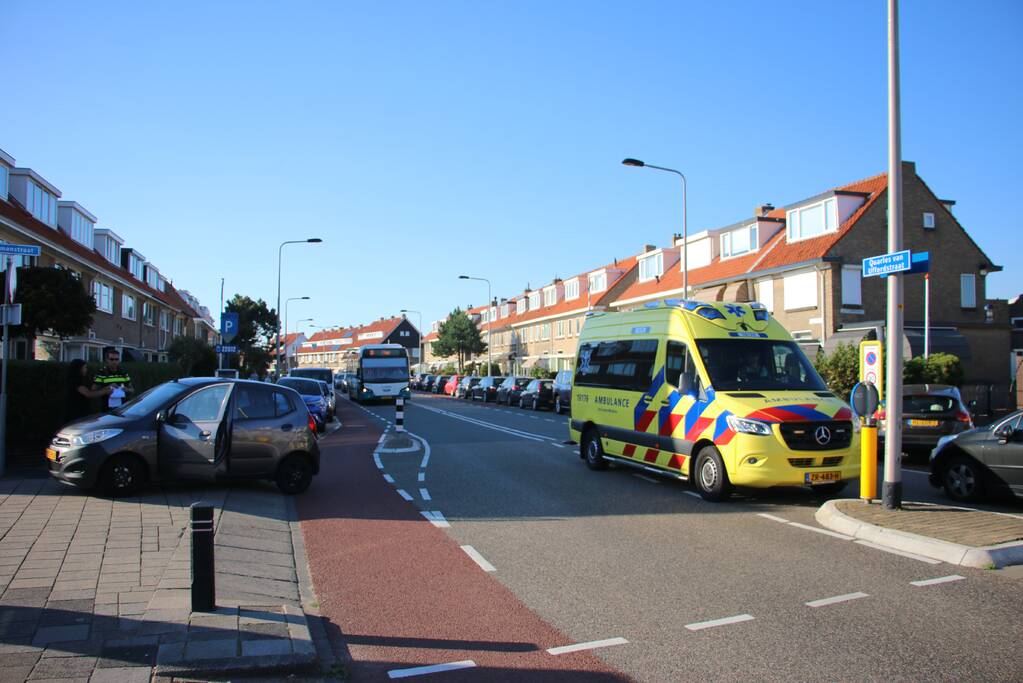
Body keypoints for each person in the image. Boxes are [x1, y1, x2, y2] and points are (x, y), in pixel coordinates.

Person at [65, 359, 113, 423]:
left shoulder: (81, 379)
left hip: (82, 411)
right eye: (84, 368)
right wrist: (105, 391)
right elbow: (88, 394)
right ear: (78, 369)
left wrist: (106, 388)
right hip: (76, 413)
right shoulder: (75, 381)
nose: (86, 370)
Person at [92, 347, 135, 412]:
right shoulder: (101, 373)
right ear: (107, 360)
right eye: (111, 359)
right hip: (107, 409)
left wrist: (127, 389)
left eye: (116, 359)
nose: (114, 361)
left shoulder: (123, 373)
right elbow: (93, 392)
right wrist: (107, 388)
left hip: (123, 409)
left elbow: (132, 390)